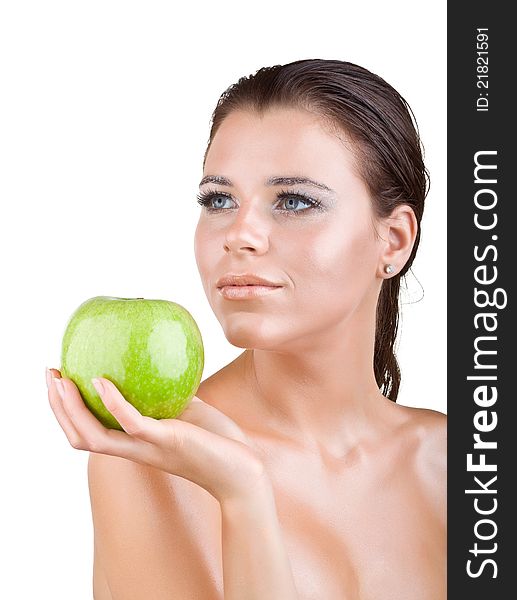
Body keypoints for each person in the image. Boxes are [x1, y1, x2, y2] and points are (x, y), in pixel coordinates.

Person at [47, 58, 446, 600]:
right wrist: (243, 494)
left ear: (393, 241)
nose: (240, 234)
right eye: (219, 200)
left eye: (295, 201)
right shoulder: (148, 459)